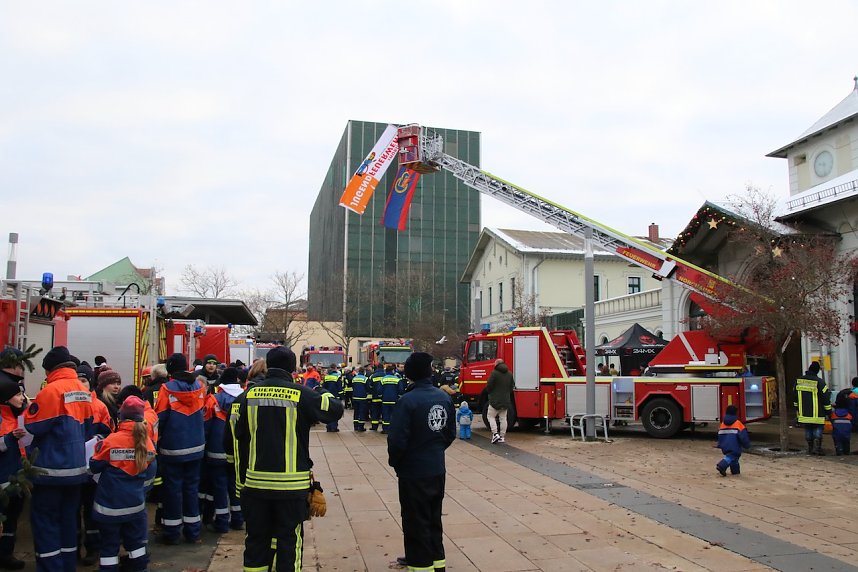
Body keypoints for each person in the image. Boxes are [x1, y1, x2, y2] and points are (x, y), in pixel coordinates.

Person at [234, 346, 344, 571]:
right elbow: (334, 410)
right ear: (293, 367)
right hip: (291, 487)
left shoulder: (247, 396)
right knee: (289, 543)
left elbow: (238, 436)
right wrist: (325, 391)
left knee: (256, 542)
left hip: (255, 485)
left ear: (267, 365)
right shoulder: (300, 394)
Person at [26, 345, 93, 572]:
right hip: (76, 469)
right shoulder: (83, 390)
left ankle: (50, 567)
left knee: (45, 522)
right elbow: (87, 427)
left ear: (50, 370)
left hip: (50, 470)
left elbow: (35, 425)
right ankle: (67, 565)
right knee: (68, 520)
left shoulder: (51, 391)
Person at [388, 352, 455, 572]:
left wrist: (397, 462)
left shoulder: (407, 401)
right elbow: (449, 433)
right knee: (433, 518)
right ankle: (438, 564)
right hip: (437, 468)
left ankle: (420, 565)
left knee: (415, 522)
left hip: (413, 472)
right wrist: (434, 450)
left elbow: (397, 440)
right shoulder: (443, 397)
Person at [89, 396, 156, 572]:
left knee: (109, 547)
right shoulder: (147, 442)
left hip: (109, 506)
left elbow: (94, 466)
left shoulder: (111, 440)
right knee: (136, 545)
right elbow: (149, 472)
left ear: (122, 417)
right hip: (135, 505)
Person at [154, 353, 207, 544]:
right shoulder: (200, 387)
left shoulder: (166, 389)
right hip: (196, 446)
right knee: (192, 489)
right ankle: (193, 532)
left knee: (173, 490)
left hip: (172, 448)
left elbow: (160, 417)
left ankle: (172, 532)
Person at [0, 371, 28, 569]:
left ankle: (6, 555)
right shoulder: (2, 419)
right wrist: (11, 438)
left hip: (17, 479)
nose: (22, 398)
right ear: (6, 399)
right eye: (18, 395)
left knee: (11, 521)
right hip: (3, 480)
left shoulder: (17, 417)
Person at [793, 361, 831, 455]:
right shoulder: (820, 382)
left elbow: (795, 396)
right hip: (818, 413)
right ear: (817, 371)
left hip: (804, 412)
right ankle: (817, 449)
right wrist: (828, 411)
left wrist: (797, 409)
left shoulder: (799, 381)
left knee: (808, 429)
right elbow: (825, 398)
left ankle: (810, 448)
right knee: (817, 430)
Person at [486, 358, 515, 444]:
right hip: (505, 400)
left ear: (497, 364)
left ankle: (495, 434)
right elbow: (512, 386)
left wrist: (490, 392)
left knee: (490, 417)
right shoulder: (509, 374)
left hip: (495, 400)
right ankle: (502, 436)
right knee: (503, 418)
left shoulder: (494, 373)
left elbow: (489, 386)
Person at [716, 405, 751, 476]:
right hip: (735, 446)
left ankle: (735, 472)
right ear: (736, 413)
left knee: (734, 458)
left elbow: (719, 435)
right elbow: (743, 437)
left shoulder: (722, 424)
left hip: (725, 445)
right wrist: (747, 445)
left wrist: (720, 444)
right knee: (732, 456)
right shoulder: (738, 424)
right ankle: (721, 465)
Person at [380, 365, 401, 434]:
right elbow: (400, 390)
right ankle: (393, 429)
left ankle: (385, 429)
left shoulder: (383, 379)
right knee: (394, 415)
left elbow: (379, 390)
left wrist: (381, 396)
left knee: (385, 415)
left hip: (385, 400)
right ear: (392, 371)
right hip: (394, 400)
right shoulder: (397, 379)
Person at [322, 366, 343, 432]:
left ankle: (328, 427)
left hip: (327, 396)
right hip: (335, 397)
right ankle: (334, 427)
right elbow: (340, 388)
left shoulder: (326, 378)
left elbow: (323, 387)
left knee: (328, 412)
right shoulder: (337, 377)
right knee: (335, 412)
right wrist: (341, 397)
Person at [351, 366, 369, 432]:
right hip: (362, 398)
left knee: (356, 412)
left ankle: (355, 426)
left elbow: (352, 386)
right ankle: (361, 427)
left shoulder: (354, 378)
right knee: (362, 412)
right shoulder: (365, 379)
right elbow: (368, 388)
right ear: (364, 372)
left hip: (355, 397)